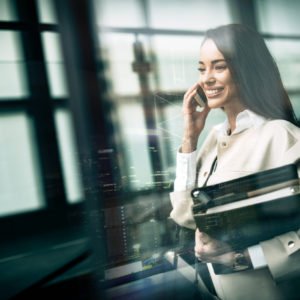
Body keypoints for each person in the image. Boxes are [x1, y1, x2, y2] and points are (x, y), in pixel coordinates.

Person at [169, 24, 300, 300]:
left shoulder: (281, 135)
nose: (207, 78)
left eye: (219, 67)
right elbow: (185, 216)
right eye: (202, 68)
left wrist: (240, 258)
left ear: (246, 70)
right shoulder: (214, 139)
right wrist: (190, 138)